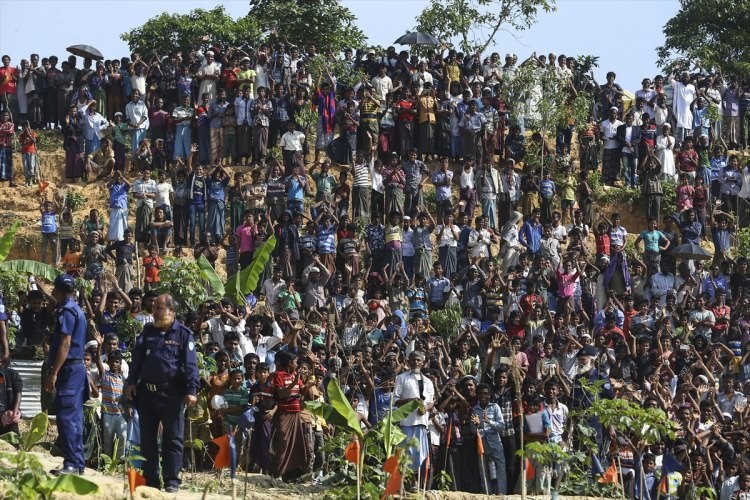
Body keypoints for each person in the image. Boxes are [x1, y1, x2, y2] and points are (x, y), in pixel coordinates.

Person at [124, 294, 199, 493]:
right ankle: (151, 480)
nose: (154, 312)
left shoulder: (183, 334)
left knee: (172, 439)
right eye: (154, 308)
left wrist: (191, 390)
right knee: (147, 440)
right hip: (147, 394)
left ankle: (172, 481)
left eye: (159, 308)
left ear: (171, 311)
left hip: (172, 394)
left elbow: (191, 364)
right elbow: (136, 360)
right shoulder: (148, 332)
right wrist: (131, 383)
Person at [45, 274, 88, 475]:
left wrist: (53, 373)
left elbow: (65, 343)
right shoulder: (76, 309)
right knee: (74, 416)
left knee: (66, 416)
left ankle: (72, 463)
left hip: (69, 368)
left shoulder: (67, 311)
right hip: (76, 367)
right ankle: (77, 462)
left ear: (59, 291)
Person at [393, 350, 434, 482]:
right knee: (406, 456)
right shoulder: (402, 378)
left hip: (422, 423)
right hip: (406, 423)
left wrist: (425, 408)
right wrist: (411, 401)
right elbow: (395, 400)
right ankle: (406, 485)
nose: (416, 362)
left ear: (423, 363)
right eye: (413, 360)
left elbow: (431, 402)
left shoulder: (428, 381)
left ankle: (418, 487)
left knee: (421, 456)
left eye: (418, 360)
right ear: (408, 362)